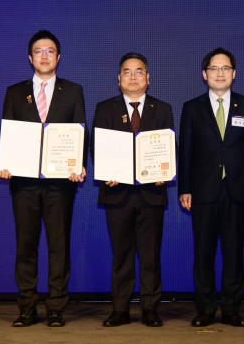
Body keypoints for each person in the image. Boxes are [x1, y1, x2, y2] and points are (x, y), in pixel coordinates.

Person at [0, 30, 88, 328]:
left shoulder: (73, 91)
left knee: (59, 245)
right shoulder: (14, 92)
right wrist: (3, 162)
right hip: (24, 182)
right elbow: (6, 134)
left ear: (59, 57)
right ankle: (27, 307)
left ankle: (56, 307)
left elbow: (80, 133)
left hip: (60, 182)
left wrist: (79, 164)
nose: (44, 56)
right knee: (26, 244)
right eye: (38, 51)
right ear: (30, 57)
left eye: (50, 51)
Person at [178, 48, 244, 327]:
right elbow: (185, 151)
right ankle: (205, 309)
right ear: (204, 75)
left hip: (238, 189)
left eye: (225, 68)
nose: (220, 73)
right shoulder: (192, 108)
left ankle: (230, 309)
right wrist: (184, 188)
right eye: (214, 68)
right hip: (202, 190)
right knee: (203, 253)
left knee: (234, 252)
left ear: (234, 74)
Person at [91, 53, 173, 328]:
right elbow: (97, 146)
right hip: (118, 193)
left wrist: (164, 171)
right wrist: (107, 171)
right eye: (127, 72)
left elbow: (169, 147)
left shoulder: (162, 109)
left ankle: (150, 308)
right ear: (119, 79)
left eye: (139, 71)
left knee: (150, 255)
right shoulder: (105, 108)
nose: (133, 77)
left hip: (152, 193)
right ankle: (120, 309)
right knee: (122, 255)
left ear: (148, 78)